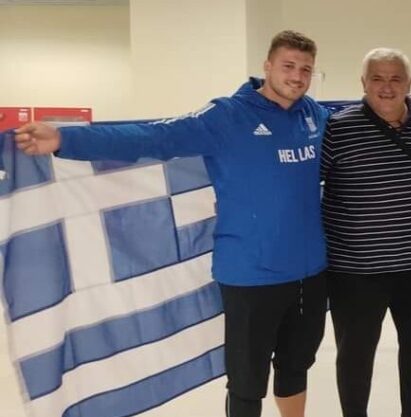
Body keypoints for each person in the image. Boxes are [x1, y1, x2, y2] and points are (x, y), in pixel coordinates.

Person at [14, 31, 329, 417]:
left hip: (311, 274)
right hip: (252, 276)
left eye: (306, 69)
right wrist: (65, 138)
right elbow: (153, 136)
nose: (297, 76)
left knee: (296, 368)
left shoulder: (314, 115)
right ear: (267, 66)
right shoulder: (227, 116)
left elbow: (356, 132)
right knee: (247, 382)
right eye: (288, 66)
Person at [320, 48, 411, 416]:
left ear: (409, 83)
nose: (386, 87)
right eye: (377, 78)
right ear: (363, 83)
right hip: (356, 271)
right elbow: (305, 186)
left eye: (395, 79)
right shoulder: (338, 128)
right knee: (355, 355)